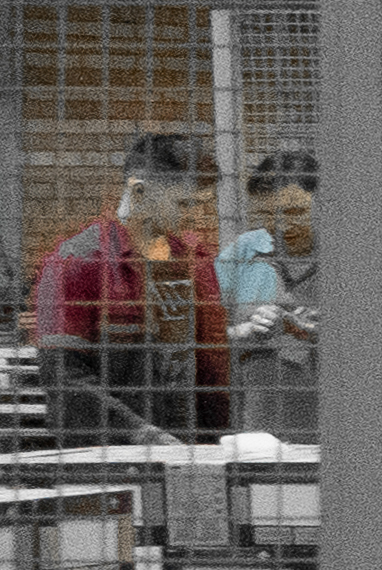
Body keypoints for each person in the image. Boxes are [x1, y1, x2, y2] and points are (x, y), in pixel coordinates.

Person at [31, 128, 228, 439]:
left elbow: (210, 367)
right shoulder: (78, 262)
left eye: (204, 205)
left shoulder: (195, 259)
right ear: (139, 191)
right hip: (113, 459)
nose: (198, 217)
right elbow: (63, 376)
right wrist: (140, 434)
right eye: (185, 205)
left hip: (191, 450)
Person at [223, 146, 322, 439]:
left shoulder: (361, 256)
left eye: (295, 211)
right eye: (269, 214)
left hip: (342, 429)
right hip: (263, 431)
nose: (280, 226)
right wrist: (246, 330)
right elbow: (201, 338)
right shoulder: (242, 253)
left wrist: (312, 329)